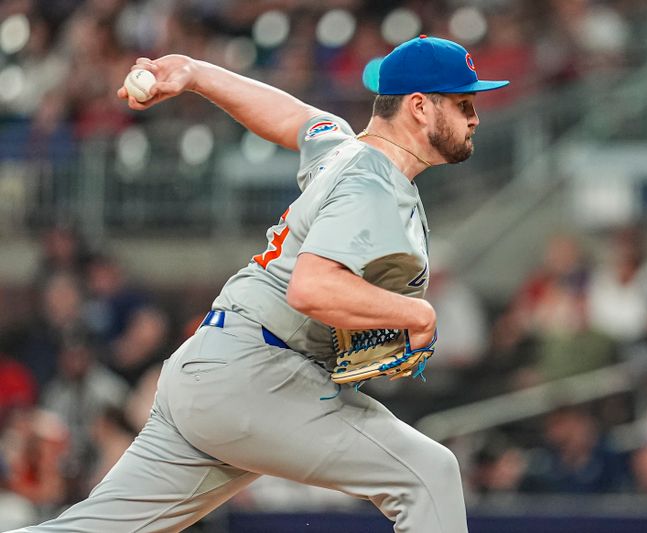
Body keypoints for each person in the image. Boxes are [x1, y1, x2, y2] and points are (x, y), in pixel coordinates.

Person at [7, 35, 508, 532]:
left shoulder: (345, 152)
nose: (475, 117)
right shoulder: (369, 182)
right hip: (260, 371)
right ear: (420, 107)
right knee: (428, 473)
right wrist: (417, 314)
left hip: (215, 368)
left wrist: (197, 73)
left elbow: (295, 118)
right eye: (464, 103)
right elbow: (310, 288)